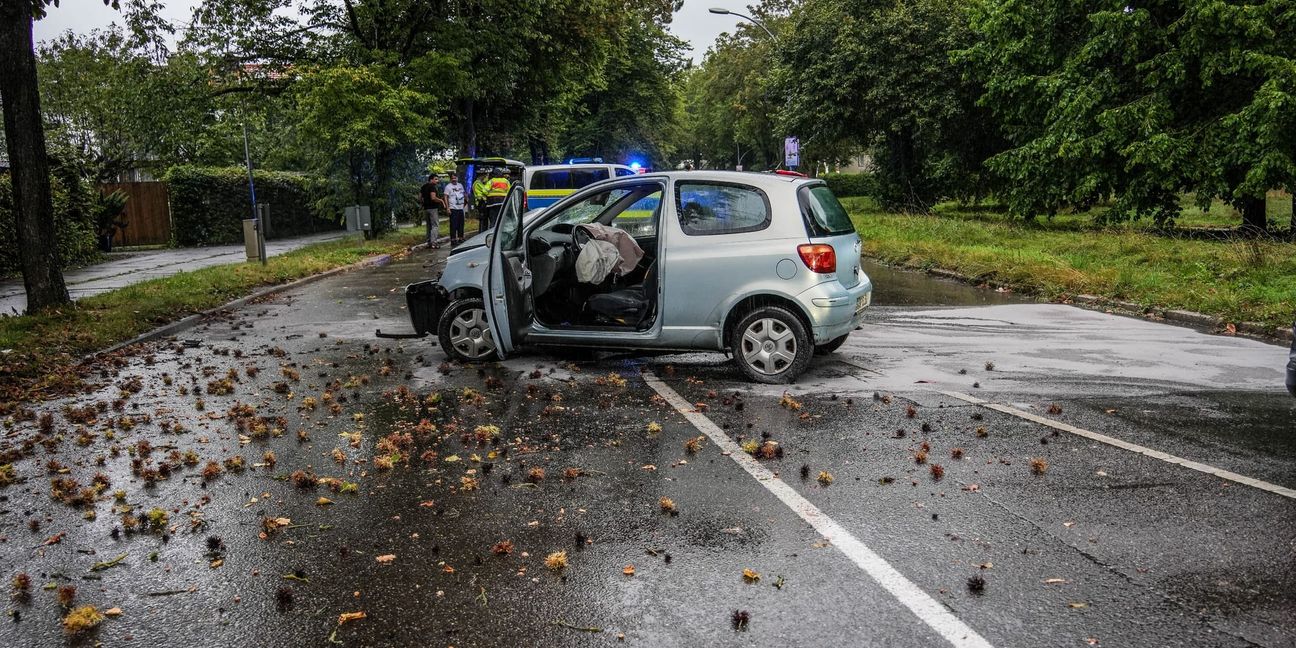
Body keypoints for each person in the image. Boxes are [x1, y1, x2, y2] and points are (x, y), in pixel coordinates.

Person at [419, 174, 445, 249]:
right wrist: (441, 200)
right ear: (431, 180)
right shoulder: (432, 187)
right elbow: (433, 198)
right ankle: (434, 243)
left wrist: (423, 203)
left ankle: (429, 242)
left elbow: (420, 197)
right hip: (433, 208)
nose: (437, 181)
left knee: (428, 226)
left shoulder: (423, 186)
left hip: (426, 208)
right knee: (435, 225)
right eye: (436, 179)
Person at [443, 172, 467, 245]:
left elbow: (463, 194)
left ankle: (461, 237)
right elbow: (445, 197)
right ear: (450, 179)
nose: (454, 179)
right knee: (453, 224)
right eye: (452, 178)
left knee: (461, 223)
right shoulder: (448, 187)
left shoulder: (460, 185)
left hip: (460, 208)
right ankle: (453, 239)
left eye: (455, 178)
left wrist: (465, 200)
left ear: (457, 178)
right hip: (453, 208)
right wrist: (447, 208)